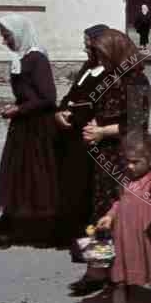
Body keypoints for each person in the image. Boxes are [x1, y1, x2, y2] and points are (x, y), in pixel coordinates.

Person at [69, 29, 151, 296]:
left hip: (123, 157)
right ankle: (99, 269)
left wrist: (103, 131)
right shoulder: (111, 77)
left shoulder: (137, 81)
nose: (101, 61)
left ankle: (122, 271)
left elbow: (137, 124)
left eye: (104, 55)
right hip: (103, 155)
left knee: (119, 215)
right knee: (101, 216)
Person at [0, 14, 59, 249]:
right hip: (23, 125)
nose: (4, 40)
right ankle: (8, 229)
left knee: (34, 178)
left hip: (37, 128)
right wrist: (16, 108)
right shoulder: (21, 58)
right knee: (18, 178)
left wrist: (18, 109)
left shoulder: (36, 59)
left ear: (19, 33)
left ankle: (32, 230)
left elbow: (49, 98)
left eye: (7, 35)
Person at [92, 131, 151, 303]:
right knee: (119, 279)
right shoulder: (124, 179)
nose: (130, 166)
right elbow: (120, 202)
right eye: (127, 161)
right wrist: (109, 216)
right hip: (124, 238)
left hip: (149, 240)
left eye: (136, 162)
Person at [55, 24, 109, 247]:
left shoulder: (108, 73)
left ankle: (85, 237)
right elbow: (71, 95)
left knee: (84, 188)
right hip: (71, 134)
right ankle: (71, 232)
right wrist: (62, 110)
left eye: (90, 45)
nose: (86, 49)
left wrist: (75, 114)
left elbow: (97, 107)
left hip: (88, 138)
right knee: (70, 186)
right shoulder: (87, 67)